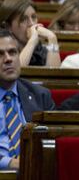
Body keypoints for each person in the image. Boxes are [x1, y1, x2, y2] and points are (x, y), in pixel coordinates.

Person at [0, 29, 55, 170]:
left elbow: (55, 139)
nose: (8, 59)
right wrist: (10, 163)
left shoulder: (40, 95)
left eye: (12, 52)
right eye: (0, 54)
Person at [0, 0, 61, 67]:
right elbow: (16, 73)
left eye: (33, 17)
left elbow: (53, 75)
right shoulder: (2, 50)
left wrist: (52, 38)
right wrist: (32, 42)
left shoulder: (40, 49)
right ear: (7, 26)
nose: (32, 24)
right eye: (23, 19)